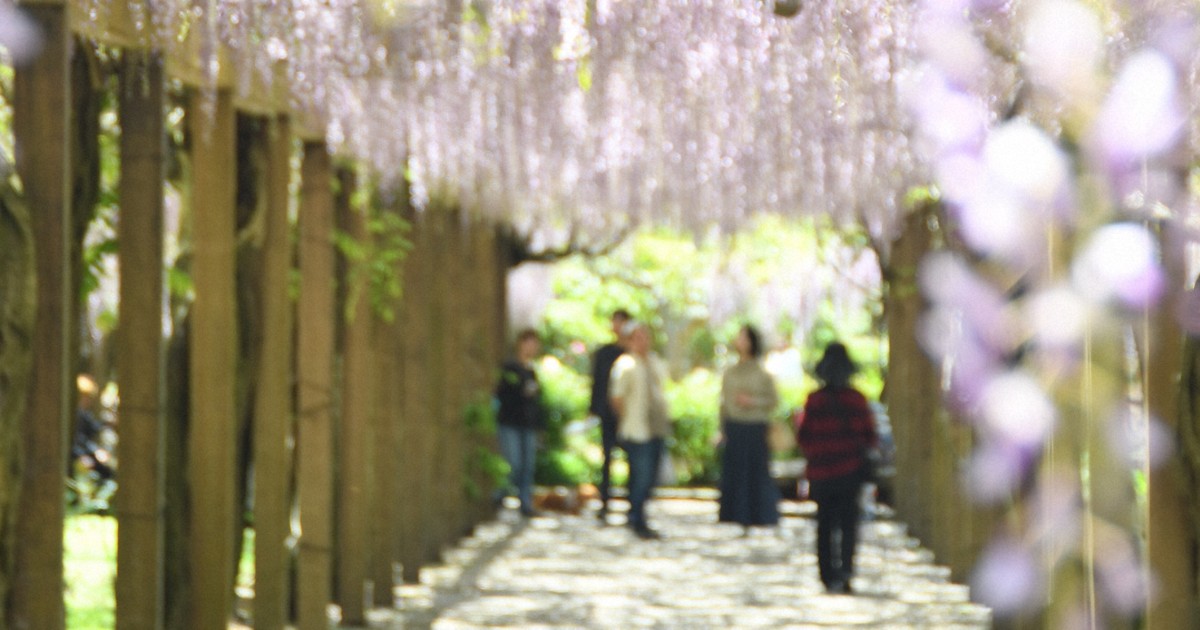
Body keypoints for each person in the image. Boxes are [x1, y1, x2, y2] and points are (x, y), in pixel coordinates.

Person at [796, 341, 877, 594]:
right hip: (850, 471)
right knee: (848, 524)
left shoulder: (814, 400)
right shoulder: (857, 400)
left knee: (824, 524)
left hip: (821, 473)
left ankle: (827, 575)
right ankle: (846, 573)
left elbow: (804, 437)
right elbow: (870, 436)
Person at [609, 321, 672, 539]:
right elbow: (617, 398)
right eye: (637, 337)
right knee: (640, 476)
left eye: (645, 336)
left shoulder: (654, 362)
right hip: (636, 429)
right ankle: (636, 519)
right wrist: (625, 419)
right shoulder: (625, 364)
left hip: (656, 427)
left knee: (651, 476)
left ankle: (639, 514)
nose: (642, 341)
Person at [718, 324, 780, 530]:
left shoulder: (763, 373)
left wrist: (752, 402)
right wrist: (721, 429)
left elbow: (773, 401)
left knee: (756, 472)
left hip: (755, 427)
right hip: (734, 426)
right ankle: (735, 514)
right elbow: (723, 403)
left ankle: (759, 515)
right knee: (735, 472)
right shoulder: (730, 372)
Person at [495, 329, 545, 517]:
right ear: (521, 344)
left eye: (535, 343)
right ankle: (499, 494)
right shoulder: (510, 367)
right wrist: (521, 391)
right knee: (513, 463)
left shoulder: (532, 371)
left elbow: (536, 402)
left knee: (528, 466)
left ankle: (525, 504)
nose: (532, 347)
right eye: (529, 342)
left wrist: (540, 426)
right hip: (510, 422)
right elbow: (502, 393)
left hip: (528, 425)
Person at [590, 308, 631, 520]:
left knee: (632, 456)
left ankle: (634, 503)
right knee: (607, 457)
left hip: (630, 416)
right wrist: (594, 409)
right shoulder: (604, 353)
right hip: (607, 414)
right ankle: (605, 501)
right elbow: (597, 383)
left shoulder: (633, 354)